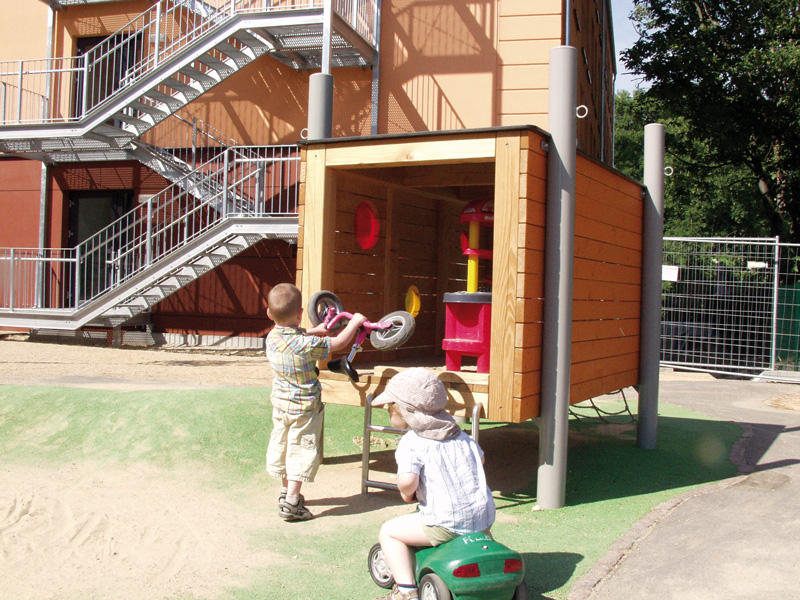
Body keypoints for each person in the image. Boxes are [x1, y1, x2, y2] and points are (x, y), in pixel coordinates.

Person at [371, 368, 496, 600]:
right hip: (483, 519)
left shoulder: (412, 442)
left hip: (446, 523)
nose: (388, 411)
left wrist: (405, 492)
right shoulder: (461, 435)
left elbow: (408, 481)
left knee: (389, 532)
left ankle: (406, 591)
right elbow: (481, 460)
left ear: (404, 411)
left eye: (389, 407)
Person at [265, 283, 367, 521]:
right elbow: (337, 344)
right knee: (300, 450)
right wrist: (354, 323)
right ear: (300, 313)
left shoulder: (272, 337)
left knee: (284, 447)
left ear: (269, 314)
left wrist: (315, 330)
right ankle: (292, 503)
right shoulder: (306, 344)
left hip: (280, 406)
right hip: (304, 408)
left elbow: (295, 339)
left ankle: (285, 492)